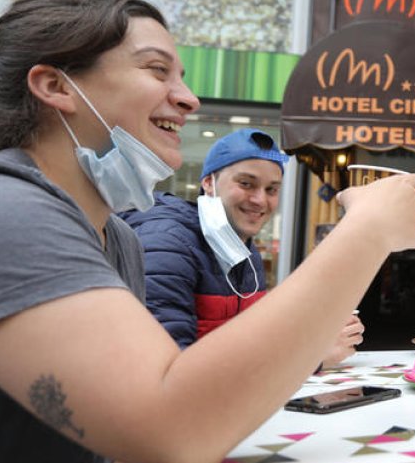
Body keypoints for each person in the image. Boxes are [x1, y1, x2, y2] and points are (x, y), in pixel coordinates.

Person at [0, 0, 415, 463]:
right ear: (57, 87)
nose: (189, 98)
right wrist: (365, 232)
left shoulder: (115, 239)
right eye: (157, 70)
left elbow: (123, 455)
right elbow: (175, 429)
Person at [122, 129, 362, 368]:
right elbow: (168, 369)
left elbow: (250, 342)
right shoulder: (166, 242)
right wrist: (312, 357)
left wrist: (313, 334)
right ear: (208, 183)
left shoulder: (241, 246)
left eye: (272, 189)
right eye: (246, 184)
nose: (260, 200)